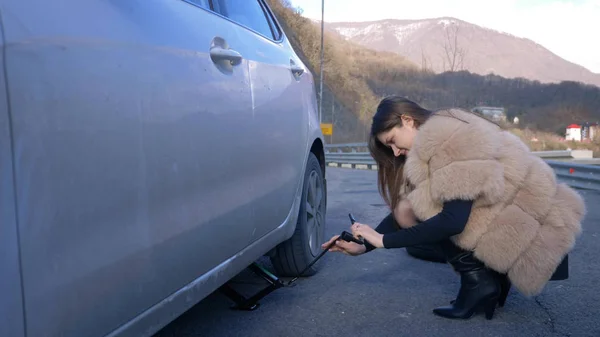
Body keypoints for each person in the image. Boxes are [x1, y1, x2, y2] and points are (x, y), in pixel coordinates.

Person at [322, 95, 586, 320]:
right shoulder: (438, 137)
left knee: (419, 213)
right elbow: (409, 209)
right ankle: (488, 277)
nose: (395, 152)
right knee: (409, 206)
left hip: (533, 233)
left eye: (392, 140)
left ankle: (480, 281)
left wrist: (382, 241)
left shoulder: (452, 141)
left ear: (407, 120)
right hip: (514, 222)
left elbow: (453, 221)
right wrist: (363, 245)